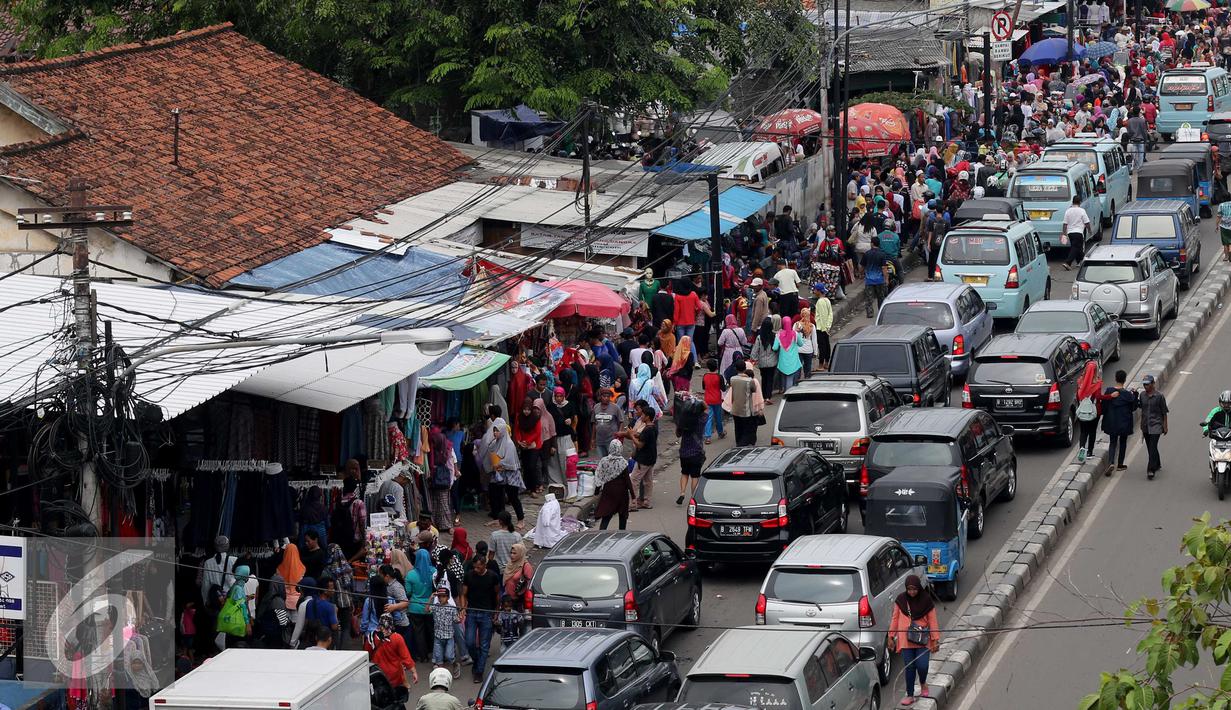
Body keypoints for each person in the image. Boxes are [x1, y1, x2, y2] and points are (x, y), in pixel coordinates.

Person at [888, 575, 939, 706]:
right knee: (909, 667)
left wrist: (935, 639)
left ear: (919, 588)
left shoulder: (926, 600)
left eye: (914, 589)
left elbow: (932, 620)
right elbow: (895, 619)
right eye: (909, 589)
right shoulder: (900, 600)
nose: (912, 592)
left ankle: (923, 683)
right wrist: (891, 636)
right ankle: (910, 695)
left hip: (922, 640)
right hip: (906, 640)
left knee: (922, 666)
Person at [479, 418, 526, 529]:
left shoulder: (509, 444)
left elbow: (509, 461)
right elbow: (491, 450)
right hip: (500, 473)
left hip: (510, 475)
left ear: (503, 431)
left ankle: (521, 520)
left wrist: (499, 464)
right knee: (495, 493)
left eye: (497, 431)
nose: (495, 433)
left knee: (513, 497)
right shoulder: (496, 442)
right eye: (494, 431)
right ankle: (499, 518)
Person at [461, 555, 502, 682]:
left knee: (484, 645)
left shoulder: (493, 576)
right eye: (475, 567)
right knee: (469, 642)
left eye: (479, 567)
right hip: (472, 612)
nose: (476, 569)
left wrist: (496, 611)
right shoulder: (469, 576)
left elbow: (497, 594)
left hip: (486, 613)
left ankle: (479, 671)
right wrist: (463, 608)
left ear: (484, 565)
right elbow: (464, 594)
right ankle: (478, 660)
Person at [367, 613, 418, 701]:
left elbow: (367, 655)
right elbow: (406, 658)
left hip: (378, 676)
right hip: (394, 677)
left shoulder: (371, 637)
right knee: (394, 701)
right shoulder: (397, 638)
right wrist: (414, 672)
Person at [1101, 369, 1138, 474]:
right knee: (1122, 442)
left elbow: (1104, 406)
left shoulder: (1109, 391)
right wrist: (1135, 394)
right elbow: (1133, 407)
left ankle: (1111, 462)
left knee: (1112, 442)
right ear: (1125, 380)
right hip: (1124, 423)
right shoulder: (1128, 395)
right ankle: (1120, 464)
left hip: (1112, 422)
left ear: (1115, 378)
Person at [594, 439, 635, 530]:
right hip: (622, 493)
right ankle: (621, 534)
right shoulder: (623, 462)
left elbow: (599, 476)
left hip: (608, 491)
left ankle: (601, 533)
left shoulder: (604, 461)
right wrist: (633, 495)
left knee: (607, 514)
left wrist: (596, 490)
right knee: (622, 515)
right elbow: (628, 481)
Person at [627, 401, 659, 510]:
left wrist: (632, 436)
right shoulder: (654, 427)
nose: (642, 416)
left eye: (644, 415)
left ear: (648, 417)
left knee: (634, 480)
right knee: (648, 481)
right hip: (651, 458)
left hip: (643, 459)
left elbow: (640, 445)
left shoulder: (647, 430)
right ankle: (647, 502)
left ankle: (632, 504)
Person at [1075, 359, 1107, 463]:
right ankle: (1089, 452)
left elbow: (1078, 395)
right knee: (1092, 432)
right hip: (1094, 411)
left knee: (1083, 432)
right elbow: (1098, 396)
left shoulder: (1080, 382)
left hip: (1082, 410)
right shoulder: (1097, 383)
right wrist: (1110, 396)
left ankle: (1082, 448)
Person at [407, 548, 436, 663]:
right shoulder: (434, 572)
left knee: (418, 632)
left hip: (415, 608)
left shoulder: (410, 575)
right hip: (430, 607)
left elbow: (408, 592)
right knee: (431, 630)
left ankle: (422, 655)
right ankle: (433, 652)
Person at [1139, 374, 1169, 479]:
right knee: (1150, 447)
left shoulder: (1160, 396)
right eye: (1144, 385)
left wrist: (1165, 426)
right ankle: (1157, 463)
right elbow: (1141, 408)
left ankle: (1150, 470)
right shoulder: (1142, 395)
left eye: (1147, 384)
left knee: (1152, 447)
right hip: (1146, 426)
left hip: (1156, 425)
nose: (1145, 386)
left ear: (1153, 384)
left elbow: (1164, 412)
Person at [380, 565, 414, 655]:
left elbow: (406, 602)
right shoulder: (388, 585)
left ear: (387, 576)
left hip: (401, 622)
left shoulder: (396, 587)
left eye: (381, 575)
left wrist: (393, 607)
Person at [728, 363, 763, 447]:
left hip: (735, 409)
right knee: (747, 429)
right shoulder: (750, 380)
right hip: (746, 410)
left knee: (738, 427)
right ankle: (743, 444)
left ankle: (738, 443)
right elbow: (754, 390)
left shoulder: (732, 379)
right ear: (745, 369)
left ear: (736, 369)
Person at [429, 587, 459, 674]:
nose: (441, 598)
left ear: (448, 597)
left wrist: (459, 618)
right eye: (439, 596)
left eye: (443, 596)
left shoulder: (452, 608)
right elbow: (426, 610)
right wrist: (430, 598)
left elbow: (456, 620)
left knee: (449, 656)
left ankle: (455, 665)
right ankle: (442, 675)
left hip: (449, 637)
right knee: (439, 659)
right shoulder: (435, 607)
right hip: (438, 636)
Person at [750, 317, 778, 404]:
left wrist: (753, 359)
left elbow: (755, 350)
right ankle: (768, 397)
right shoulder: (774, 336)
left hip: (762, 363)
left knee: (764, 379)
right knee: (770, 379)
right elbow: (777, 349)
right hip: (772, 362)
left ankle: (763, 395)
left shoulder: (759, 337)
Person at [861, 236, 891, 318]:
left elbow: (862, 267)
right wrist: (886, 279)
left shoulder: (867, 254)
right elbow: (884, 268)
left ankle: (870, 313)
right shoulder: (882, 254)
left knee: (869, 299)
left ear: (872, 243)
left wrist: (861, 274)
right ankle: (881, 312)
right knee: (880, 297)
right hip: (880, 280)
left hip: (869, 280)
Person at [591, 388, 625, 457]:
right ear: (600, 397)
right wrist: (593, 439)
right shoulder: (596, 407)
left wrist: (619, 433)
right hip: (599, 440)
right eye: (604, 396)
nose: (606, 398)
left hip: (611, 440)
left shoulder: (615, 408)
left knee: (612, 459)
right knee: (602, 460)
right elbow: (594, 423)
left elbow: (621, 421)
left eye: (608, 396)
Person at [773, 316, 803, 392]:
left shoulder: (779, 334)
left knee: (784, 378)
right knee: (790, 380)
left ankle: (785, 391)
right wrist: (798, 333)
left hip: (783, 362)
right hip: (793, 361)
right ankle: (788, 395)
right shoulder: (795, 334)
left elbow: (775, 348)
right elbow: (801, 344)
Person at [1061, 195, 1092, 270]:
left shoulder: (1068, 211)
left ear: (1072, 202)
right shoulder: (1082, 211)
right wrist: (1089, 230)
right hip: (1078, 232)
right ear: (1080, 202)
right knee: (1075, 248)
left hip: (1070, 233)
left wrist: (1064, 234)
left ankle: (1080, 261)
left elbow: (1065, 224)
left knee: (1078, 248)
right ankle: (1068, 263)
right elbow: (1086, 222)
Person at [702, 359, 726, 443]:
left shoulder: (705, 376)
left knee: (708, 418)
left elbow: (704, 387)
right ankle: (720, 432)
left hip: (707, 399)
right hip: (717, 399)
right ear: (716, 367)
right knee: (718, 417)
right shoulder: (719, 376)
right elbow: (723, 388)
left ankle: (708, 437)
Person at [502, 543, 533, 608]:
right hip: (507, 599)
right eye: (511, 553)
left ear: (520, 554)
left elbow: (529, 584)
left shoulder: (526, 566)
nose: (512, 555)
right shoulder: (510, 564)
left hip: (517, 600)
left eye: (514, 553)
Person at [1219, 197, 1231, 263]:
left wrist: (1216, 225)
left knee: (1225, 242)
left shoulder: (1221, 205)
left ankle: (1226, 256)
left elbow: (1218, 216)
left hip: (1224, 226)